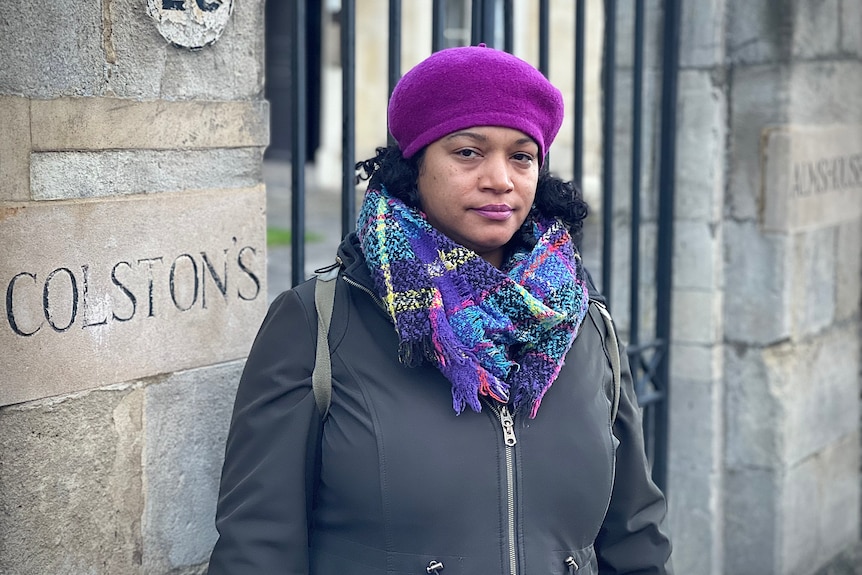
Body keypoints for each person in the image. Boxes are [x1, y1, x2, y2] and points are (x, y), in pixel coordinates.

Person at [207, 45, 673, 574]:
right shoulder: (319, 319)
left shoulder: (583, 322)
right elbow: (257, 545)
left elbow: (634, 536)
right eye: (468, 152)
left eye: (522, 156)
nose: (500, 179)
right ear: (415, 166)